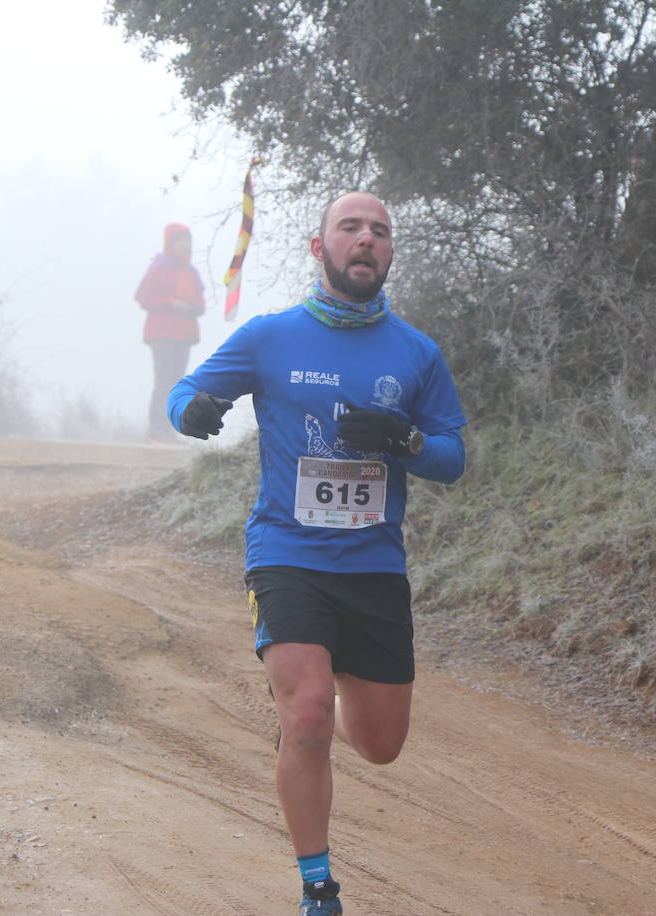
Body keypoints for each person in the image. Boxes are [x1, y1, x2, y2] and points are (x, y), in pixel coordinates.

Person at [168, 192, 467, 915]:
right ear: (319, 247)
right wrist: (197, 411)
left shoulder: (416, 353)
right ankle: (318, 889)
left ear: (389, 253)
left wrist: (405, 440)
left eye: (380, 232)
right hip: (287, 552)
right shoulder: (272, 338)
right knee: (306, 718)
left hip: (373, 565)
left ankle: (317, 690)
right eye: (351, 228)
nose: (366, 240)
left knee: (381, 743)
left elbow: (453, 457)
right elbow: (186, 392)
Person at [136, 222, 204, 442]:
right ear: (170, 243)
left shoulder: (191, 273)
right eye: (180, 241)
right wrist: (170, 303)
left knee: (177, 383)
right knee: (163, 381)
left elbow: (200, 305)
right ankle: (156, 431)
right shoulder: (159, 268)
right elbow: (144, 298)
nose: (185, 245)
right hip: (162, 333)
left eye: (187, 241)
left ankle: (169, 430)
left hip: (183, 334)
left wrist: (190, 307)